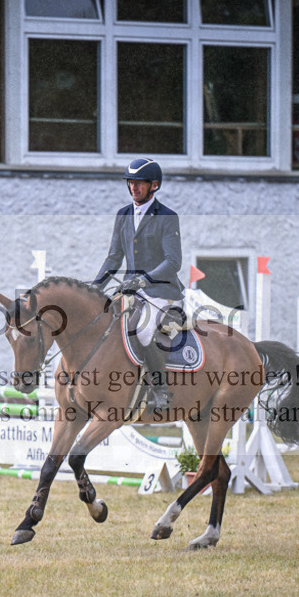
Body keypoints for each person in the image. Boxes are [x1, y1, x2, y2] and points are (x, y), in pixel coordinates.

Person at [93, 158, 184, 413]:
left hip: (161, 291)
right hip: (132, 291)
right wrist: (95, 288)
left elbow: (173, 262)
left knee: (143, 331)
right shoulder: (123, 215)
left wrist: (144, 279)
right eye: (131, 182)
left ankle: (160, 390)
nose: (134, 187)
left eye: (140, 183)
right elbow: (114, 257)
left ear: (154, 185)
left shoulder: (167, 217)